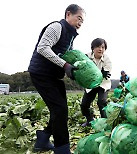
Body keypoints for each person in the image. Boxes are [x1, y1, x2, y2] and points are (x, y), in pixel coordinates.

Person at [28, 4, 85, 154]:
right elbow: (43, 47)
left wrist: (76, 68)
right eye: (78, 18)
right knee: (59, 110)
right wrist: (65, 65)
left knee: (61, 110)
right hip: (41, 73)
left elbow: (66, 55)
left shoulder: (70, 35)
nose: (80, 23)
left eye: (82, 21)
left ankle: (43, 138)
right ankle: (62, 149)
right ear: (68, 14)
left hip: (54, 76)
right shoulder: (57, 27)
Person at [80, 38, 112, 127]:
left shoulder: (107, 59)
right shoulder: (86, 57)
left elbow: (107, 70)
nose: (100, 49)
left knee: (102, 102)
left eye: (103, 47)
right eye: (98, 47)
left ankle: (105, 123)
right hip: (91, 84)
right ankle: (90, 121)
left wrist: (104, 72)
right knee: (84, 104)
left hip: (103, 83)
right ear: (93, 48)